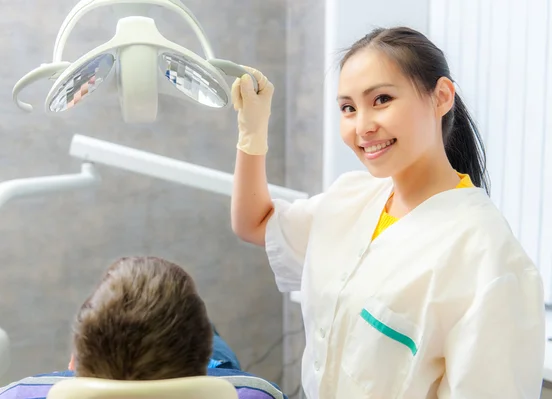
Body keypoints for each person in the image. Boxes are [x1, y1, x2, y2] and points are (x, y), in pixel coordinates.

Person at [230, 26, 545, 398]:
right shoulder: (350, 199)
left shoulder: (489, 259)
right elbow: (255, 223)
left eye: (381, 99)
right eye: (348, 108)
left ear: (441, 97)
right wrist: (253, 131)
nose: (362, 126)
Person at [0, 257, 286, 399]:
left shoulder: (17, 396)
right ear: (202, 371)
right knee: (197, 327)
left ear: (74, 365)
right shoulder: (255, 395)